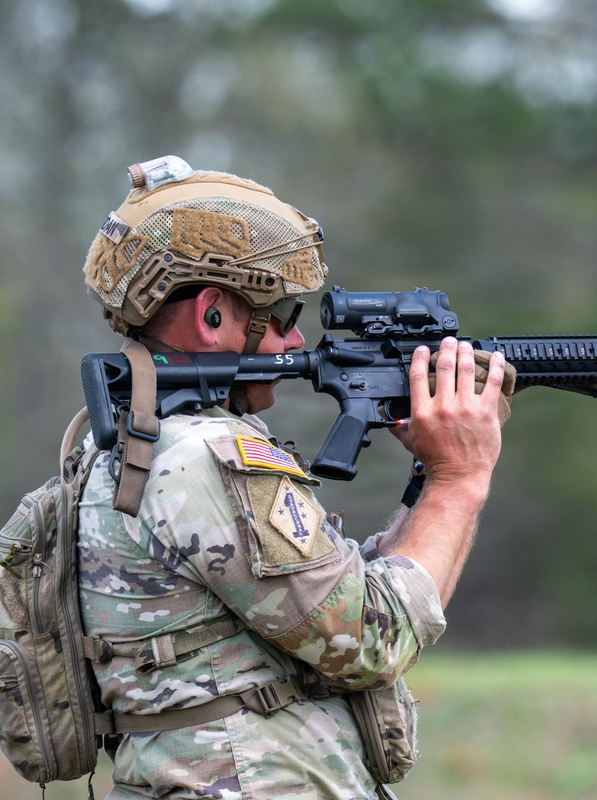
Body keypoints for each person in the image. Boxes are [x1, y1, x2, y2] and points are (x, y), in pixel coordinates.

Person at [77, 156, 512, 799]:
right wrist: (460, 475)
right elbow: (370, 639)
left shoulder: (121, 442)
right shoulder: (209, 459)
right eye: (282, 313)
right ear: (213, 315)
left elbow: (329, 598)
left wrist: (431, 473)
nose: (294, 339)